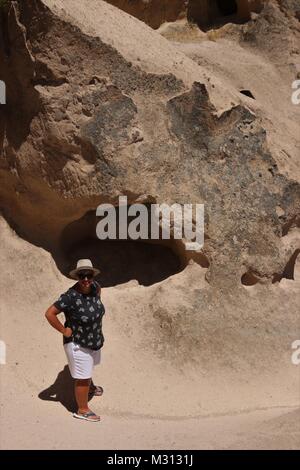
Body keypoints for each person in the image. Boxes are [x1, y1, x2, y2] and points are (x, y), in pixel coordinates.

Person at [45, 259, 105, 422]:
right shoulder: (70, 297)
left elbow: (97, 303)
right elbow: (49, 313)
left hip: (93, 339)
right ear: (77, 276)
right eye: (82, 275)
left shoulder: (95, 287)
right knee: (82, 377)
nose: (86, 279)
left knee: (90, 366)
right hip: (77, 342)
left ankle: (90, 388)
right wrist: (64, 330)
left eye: (89, 275)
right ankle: (82, 410)